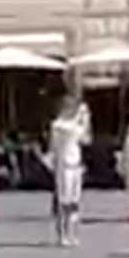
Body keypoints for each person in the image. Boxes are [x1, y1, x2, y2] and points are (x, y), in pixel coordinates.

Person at [50, 98, 88, 247]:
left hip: (75, 164)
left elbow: (84, 138)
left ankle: (72, 233)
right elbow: (71, 131)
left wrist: (84, 120)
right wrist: (82, 117)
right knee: (63, 201)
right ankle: (62, 234)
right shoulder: (58, 125)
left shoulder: (73, 125)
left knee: (74, 202)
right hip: (63, 165)